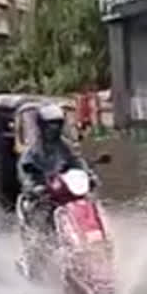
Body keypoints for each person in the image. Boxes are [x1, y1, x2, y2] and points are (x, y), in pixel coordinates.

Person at [16, 103, 100, 278]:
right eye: (50, 124)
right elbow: (24, 172)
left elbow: (78, 163)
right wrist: (33, 187)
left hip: (65, 195)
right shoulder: (33, 151)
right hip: (44, 198)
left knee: (90, 207)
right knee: (40, 230)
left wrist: (90, 176)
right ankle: (35, 264)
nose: (53, 128)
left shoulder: (65, 147)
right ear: (41, 125)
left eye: (57, 123)